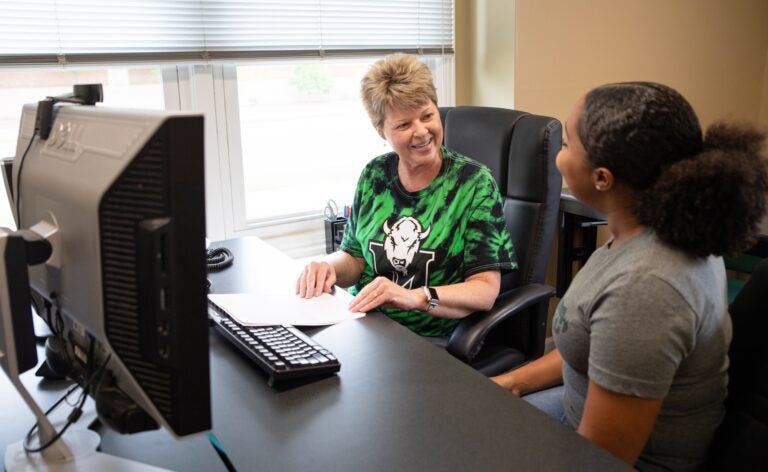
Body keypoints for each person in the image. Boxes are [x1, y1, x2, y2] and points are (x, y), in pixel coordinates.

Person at [491, 81, 768, 471]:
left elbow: (601, 461)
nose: (558, 155)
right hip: (576, 413)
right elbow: (588, 346)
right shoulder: (655, 228)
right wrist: (509, 383)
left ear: (602, 177)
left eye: (567, 144)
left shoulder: (646, 289)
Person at [296, 53, 517, 338]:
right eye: (403, 125)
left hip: (430, 339)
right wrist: (328, 267)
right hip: (364, 323)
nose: (421, 132)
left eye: (428, 116)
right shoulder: (375, 175)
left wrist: (415, 297)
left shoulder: (474, 184)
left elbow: (485, 290)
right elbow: (355, 258)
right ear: (381, 131)